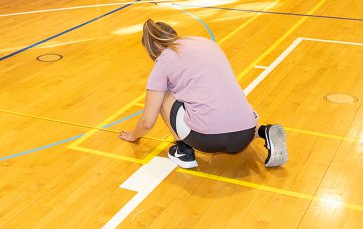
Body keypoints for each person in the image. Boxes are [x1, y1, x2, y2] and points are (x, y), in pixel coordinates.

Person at [118, 20, 287, 169]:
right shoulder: (207, 43)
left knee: (162, 93)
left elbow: (147, 122)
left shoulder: (163, 61)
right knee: (221, 97)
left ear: (155, 47)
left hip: (208, 140)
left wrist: (133, 135)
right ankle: (264, 131)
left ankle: (183, 151)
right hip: (246, 134)